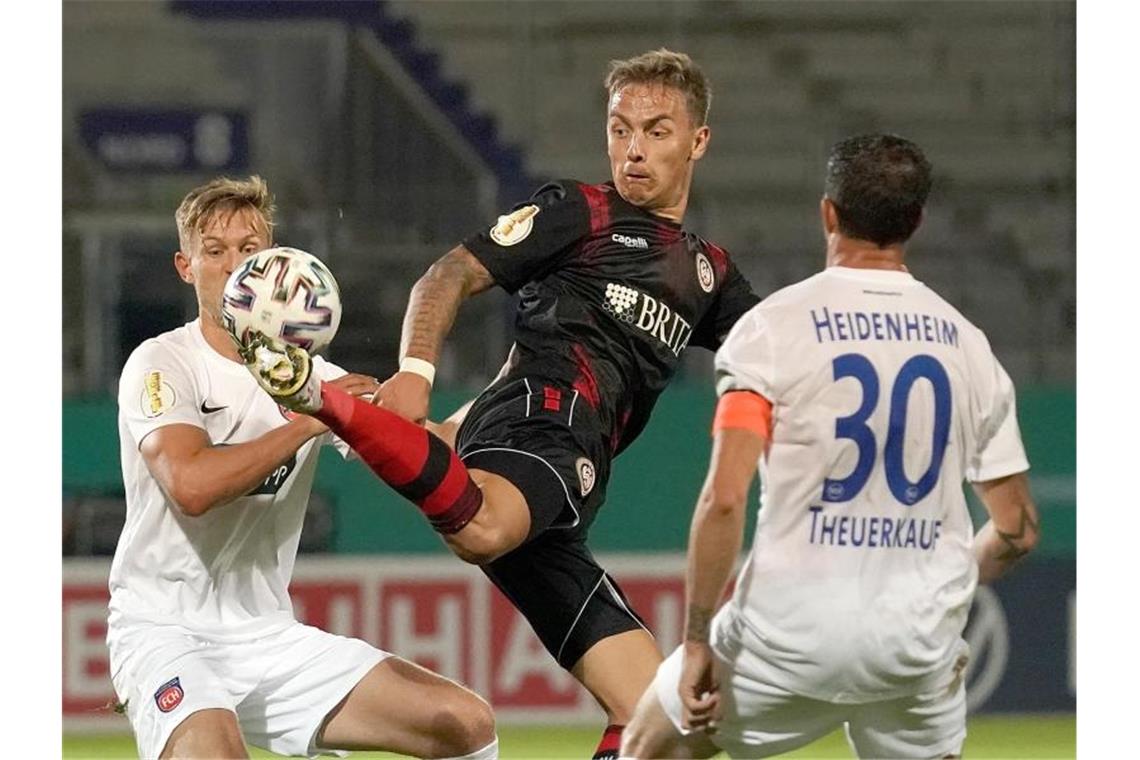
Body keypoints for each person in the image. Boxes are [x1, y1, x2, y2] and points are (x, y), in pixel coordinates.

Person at [235, 49, 760, 759]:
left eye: (657, 131)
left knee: (659, 721)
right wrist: (415, 373)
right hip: (536, 425)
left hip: (567, 491)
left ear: (698, 141)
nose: (633, 149)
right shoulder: (580, 212)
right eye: (620, 128)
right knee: (481, 529)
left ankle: (372, 423)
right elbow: (446, 274)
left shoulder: (711, 274)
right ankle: (319, 398)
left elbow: (782, 351)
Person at [619, 133, 1041, 759]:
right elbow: (1016, 530)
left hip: (783, 639)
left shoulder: (770, 330)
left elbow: (726, 499)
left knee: (647, 747)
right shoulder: (970, 348)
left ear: (828, 212)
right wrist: (943, 583)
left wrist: (701, 642)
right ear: (916, 222)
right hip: (912, 652)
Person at [108, 176, 497, 760]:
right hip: (164, 631)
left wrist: (518, 386)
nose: (236, 267)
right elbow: (190, 486)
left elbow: (434, 447)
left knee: (463, 723)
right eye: (215, 252)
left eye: (250, 250)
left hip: (266, 636)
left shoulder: (318, 379)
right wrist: (313, 419)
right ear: (186, 267)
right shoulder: (163, 363)